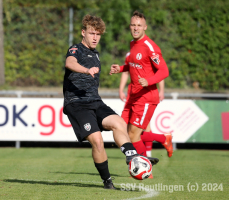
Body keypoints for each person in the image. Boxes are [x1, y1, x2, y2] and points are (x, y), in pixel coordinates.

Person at [63, 14, 159, 189]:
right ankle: (107, 182)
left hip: (95, 101)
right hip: (77, 103)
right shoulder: (76, 49)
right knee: (98, 141)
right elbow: (70, 63)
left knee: (119, 123)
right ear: (83, 33)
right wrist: (86, 70)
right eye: (92, 33)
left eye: (98, 34)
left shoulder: (96, 54)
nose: (95, 38)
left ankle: (132, 156)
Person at [110, 11, 171, 167]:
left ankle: (143, 167)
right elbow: (134, 67)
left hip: (146, 97)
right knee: (122, 131)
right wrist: (121, 68)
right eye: (133, 25)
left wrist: (149, 81)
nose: (135, 28)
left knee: (132, 135)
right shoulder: (133, 43)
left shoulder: (150, 47)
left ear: (145, 27)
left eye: (139, 25)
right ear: (130, 26)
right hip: (134, 96)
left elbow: (164, 71)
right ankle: (163, 139)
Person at [119, 55, 172, 158]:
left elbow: (159, 72)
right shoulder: (129, 55)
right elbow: (126, 71)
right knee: (123, 130)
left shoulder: (149, 52)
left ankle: (147, 155)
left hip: (144, 96)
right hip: (132, 95)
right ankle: (163, 139)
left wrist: (161, 90)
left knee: (141, 129)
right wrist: (121, 89)